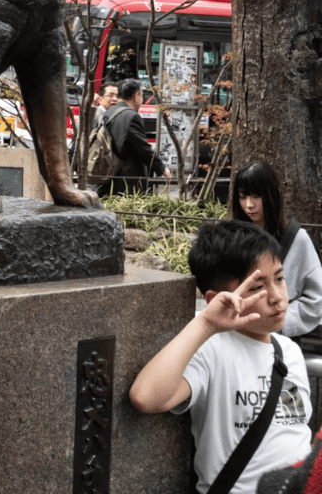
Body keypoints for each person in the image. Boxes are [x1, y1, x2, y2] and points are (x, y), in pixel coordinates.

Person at [130, 220, 313, 494]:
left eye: (279, 278)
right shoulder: (212, 350)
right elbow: (145, 397)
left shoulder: (290, 352)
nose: (277, 297)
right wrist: (206, 324)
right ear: (218, 298)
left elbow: (294, 433)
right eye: (257, 288)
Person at [231, 160, 322, 339]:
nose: (249, 205)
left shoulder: (298, 239)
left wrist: (280, 322)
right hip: (238, 332)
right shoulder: (234, 238)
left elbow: (316, 298)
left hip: (281, 338)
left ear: (274, 194)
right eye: (243, 197)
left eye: (256, 196)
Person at [99, 78, 170, 196]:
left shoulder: (108, 112)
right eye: (142, 96)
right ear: (136, 96)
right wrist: (162, 169)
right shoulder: (131, 116)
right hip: (126, 181)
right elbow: (143, 148)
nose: (142, 101)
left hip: (107, 175)